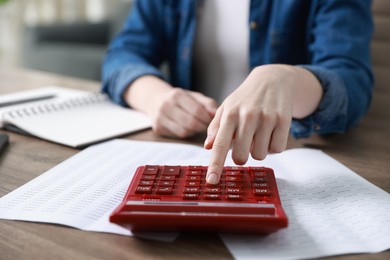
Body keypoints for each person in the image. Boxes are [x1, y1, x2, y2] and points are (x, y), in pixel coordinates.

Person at [102, 0, 373, 184]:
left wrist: (288, 80)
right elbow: (124, 53)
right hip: (188, 145)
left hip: (287, 153)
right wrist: (154, 97)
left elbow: (353, 80)